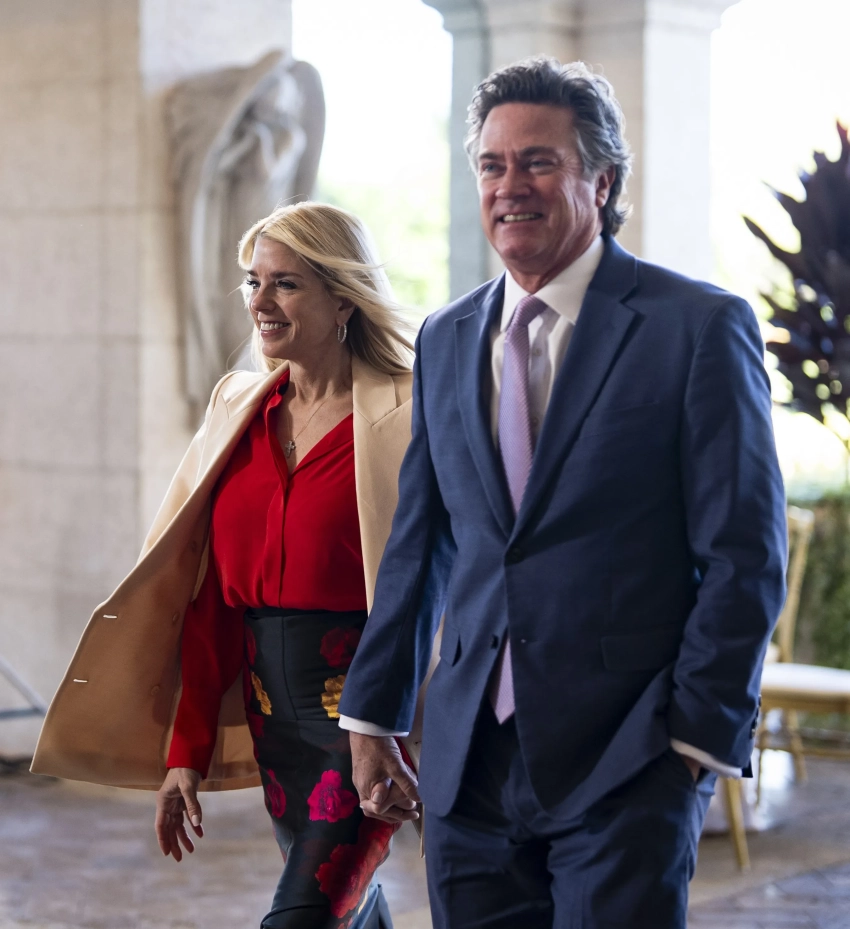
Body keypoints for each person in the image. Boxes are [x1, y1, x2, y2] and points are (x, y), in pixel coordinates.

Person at [337, 58, 788, 928]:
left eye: (538, 162)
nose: (510, 186)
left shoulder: (697, 328)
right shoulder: (446, 336)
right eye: (492, 165)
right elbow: (420, 545)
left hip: (629, 757)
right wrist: (372, 713)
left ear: (601, 180)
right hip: (468, 765)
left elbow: (744, 554)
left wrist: (694, 741)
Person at [31, 202, 421, 929]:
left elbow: (431, 577)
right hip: (275, 719)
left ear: (344, 298)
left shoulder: (410, 409)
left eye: (286, 283)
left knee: (304, 913)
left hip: (369, 715)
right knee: (342, 904)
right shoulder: (238, 405)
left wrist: (392, 719)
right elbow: (210, 598)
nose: (260, 301)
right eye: (253, 281)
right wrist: (187, 750)